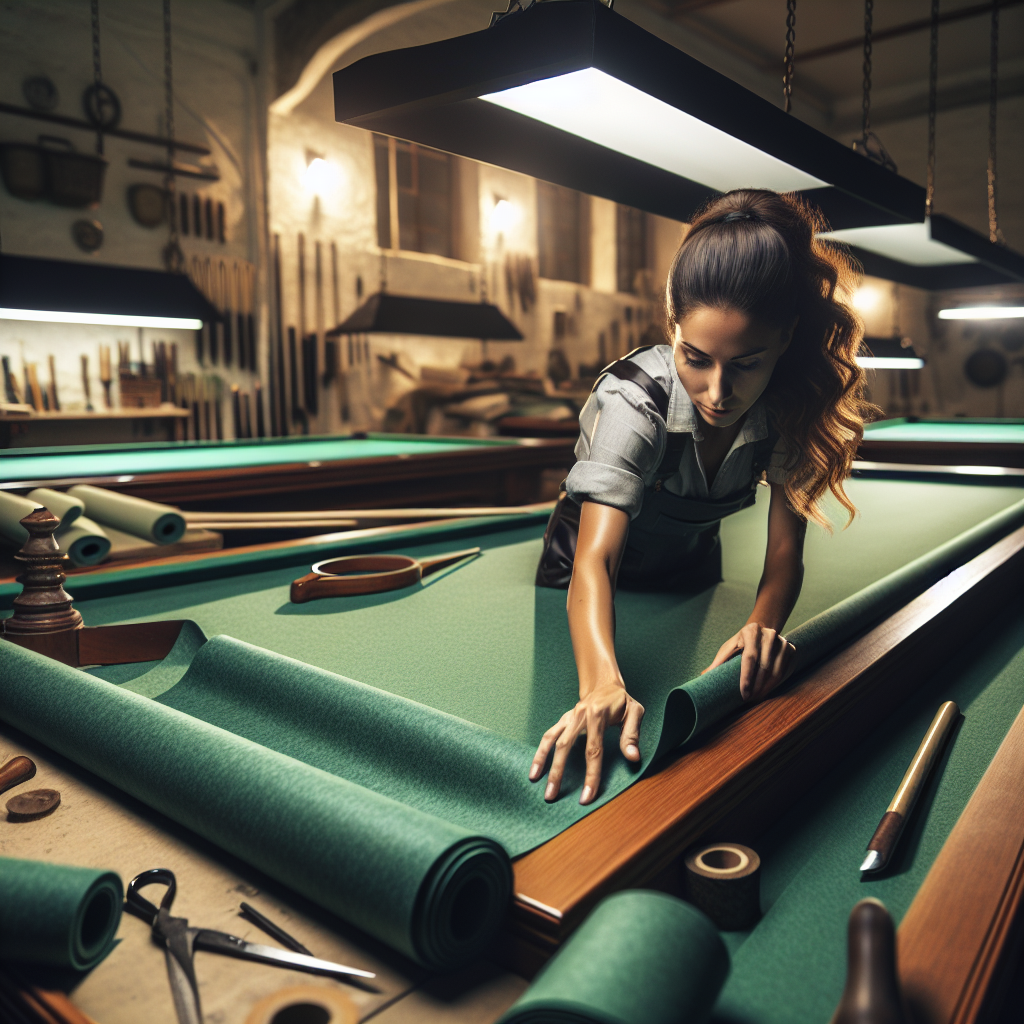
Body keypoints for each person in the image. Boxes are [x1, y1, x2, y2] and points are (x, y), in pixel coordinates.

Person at [530, 189, 876, 805]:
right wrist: (600, 684)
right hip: (581, 575)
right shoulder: (633, 401)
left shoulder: (792, 408)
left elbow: (783, 558)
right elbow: (595, 560)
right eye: (696, 357)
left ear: (786, 337)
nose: (718, 391)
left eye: (746, 362)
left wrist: (763, 626)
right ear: (673, 326)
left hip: (690, 570)